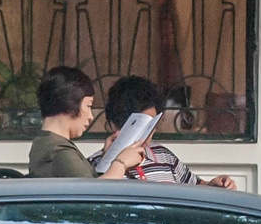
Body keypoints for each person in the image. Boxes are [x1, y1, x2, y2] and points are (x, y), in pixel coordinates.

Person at [84, 76, 236, 188]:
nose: (145, 135)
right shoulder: (95, 164)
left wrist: (214, 185)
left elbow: (195, 186)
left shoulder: (164, 156)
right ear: (113, 125)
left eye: (150, 125)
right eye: (138, 125)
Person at [27, 67, 147, 180]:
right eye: (88, 106)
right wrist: (121, 163)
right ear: (70, 105)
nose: (90, 117)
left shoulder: (45, 142)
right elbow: (93, 191)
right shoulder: (60, 152)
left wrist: (108, 157)